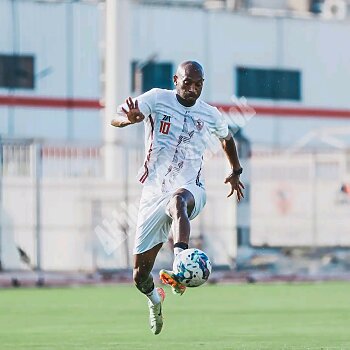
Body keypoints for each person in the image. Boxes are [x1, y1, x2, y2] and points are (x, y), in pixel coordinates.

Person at [111, 61, 244, 335]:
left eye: (199, 85)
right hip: (153, 193)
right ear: (176, 80)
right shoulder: (157, 99)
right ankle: (155, 298)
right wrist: (128, 119)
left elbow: (227, 138)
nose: (193, 89)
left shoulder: (208, 113)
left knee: (178, 200)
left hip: (191, 188)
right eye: (188, 83)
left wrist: (235, 170)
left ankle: (181, 259)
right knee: (139, 276)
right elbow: (115, 117)